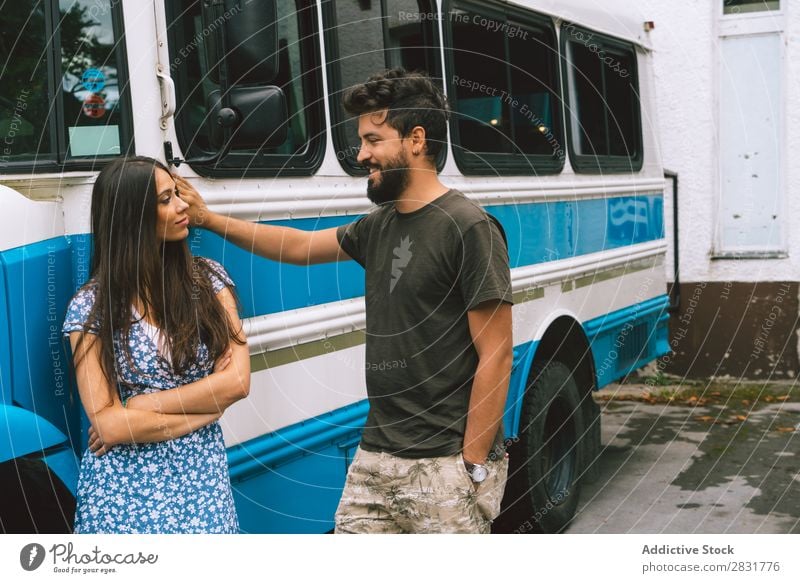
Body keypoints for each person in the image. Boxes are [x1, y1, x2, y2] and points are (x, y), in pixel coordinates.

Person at [178, 68, 513, 534]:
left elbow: (496, 355)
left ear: (416, 139)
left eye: (373, 140)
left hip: (443, 463)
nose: (361, 155)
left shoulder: (469, 227)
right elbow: (297, 247)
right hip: (376, 453)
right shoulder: (379, 224)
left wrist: (473, 465)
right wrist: (210, 219)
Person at [62, 155, 250, 533]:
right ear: (131, 217)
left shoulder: (210, 281)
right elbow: (110, 426)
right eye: (166, 200)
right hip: (121, 494)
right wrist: (206, 412)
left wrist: (144, 405)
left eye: (176, 194)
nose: (183, 206)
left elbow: (237, 383)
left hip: (202, 486)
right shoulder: (90, 306)